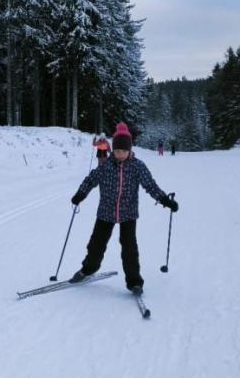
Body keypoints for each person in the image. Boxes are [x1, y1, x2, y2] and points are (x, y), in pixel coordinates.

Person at [69, 121, 178, 292]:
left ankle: (134, 281)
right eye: (118, 151)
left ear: (129, 150)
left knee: (129, 249)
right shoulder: (105, 166)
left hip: (128, 213)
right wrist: (80, 194)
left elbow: (150, 185)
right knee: (96, 244)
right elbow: (91, 180)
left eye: (124, 151)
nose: (120, 154)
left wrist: (165, 200)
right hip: (105, 212)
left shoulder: (137, 166)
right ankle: (88, 269)